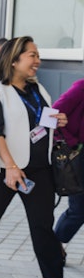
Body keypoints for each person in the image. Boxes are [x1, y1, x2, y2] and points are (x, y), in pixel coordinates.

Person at [0, 36, 80, 278]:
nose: (37, 60)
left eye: (37, 54)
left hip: (38, 167)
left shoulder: (37, 89)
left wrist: (56, 120)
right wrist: (11, 167)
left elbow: (37, 120)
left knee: (43, 223)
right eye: (32, 55)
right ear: (14, 59)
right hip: (1, 167)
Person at [54, 78, 84, 246]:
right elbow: (53, 114)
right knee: (78, 209)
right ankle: (55, 245)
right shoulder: (81, 87)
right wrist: (71, 142)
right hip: (79, 156)